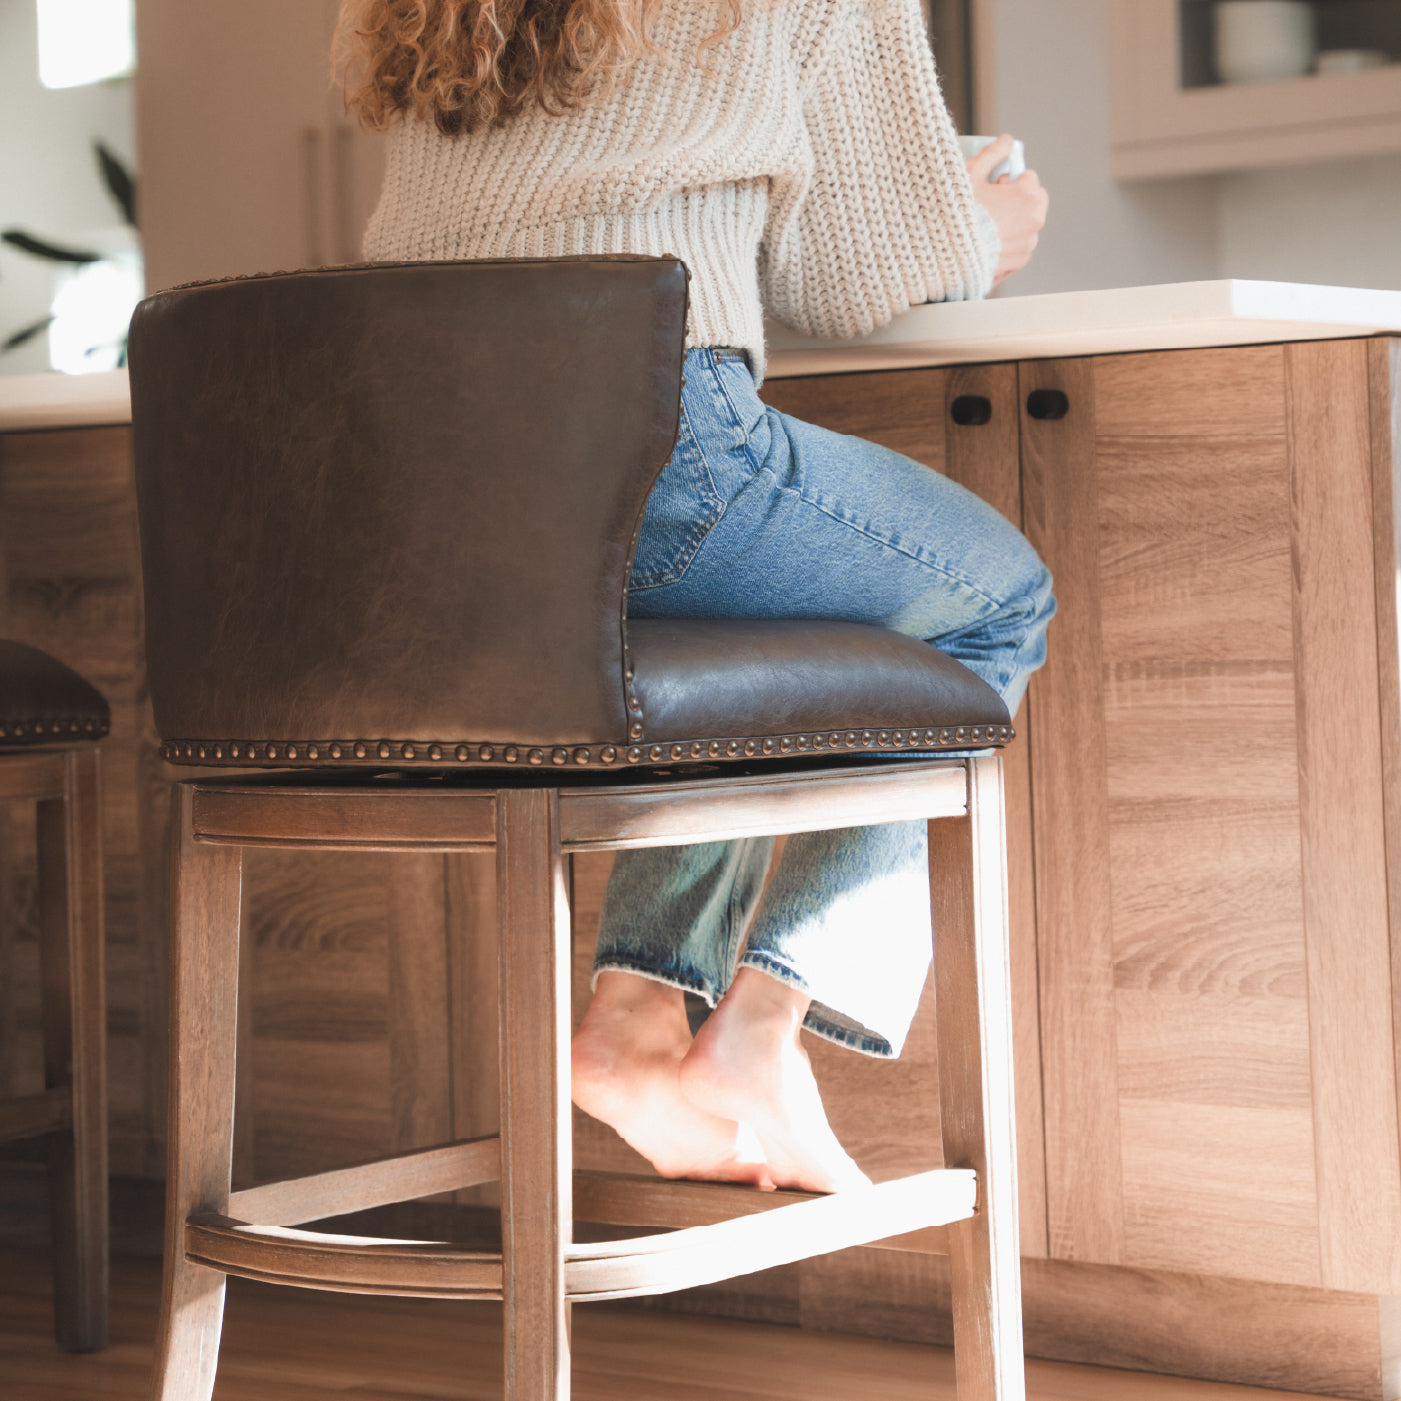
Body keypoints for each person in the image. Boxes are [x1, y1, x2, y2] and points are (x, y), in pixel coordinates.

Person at [339, 0, 1053, 1196]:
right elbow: (852, 274)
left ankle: (633, 1014)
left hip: (441, 511)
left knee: (736, 620)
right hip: (658, 457)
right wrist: (984, 224)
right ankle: (762, 1024)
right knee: (997, 599)